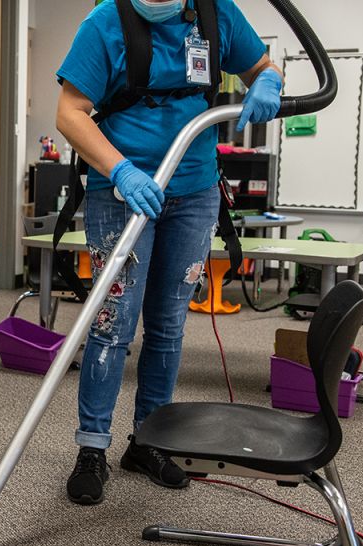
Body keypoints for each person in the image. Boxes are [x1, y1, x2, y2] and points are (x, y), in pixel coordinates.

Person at [55, 0, 283, 505]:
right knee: (112, 323)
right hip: (122, 191)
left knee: (167, 324)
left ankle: (149, 441)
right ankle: (92, 447)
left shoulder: (216, 13)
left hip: (194, 190)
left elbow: (262, 66)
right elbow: (70, 113)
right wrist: (120, 171)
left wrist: (267, 81)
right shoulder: (105, 23)